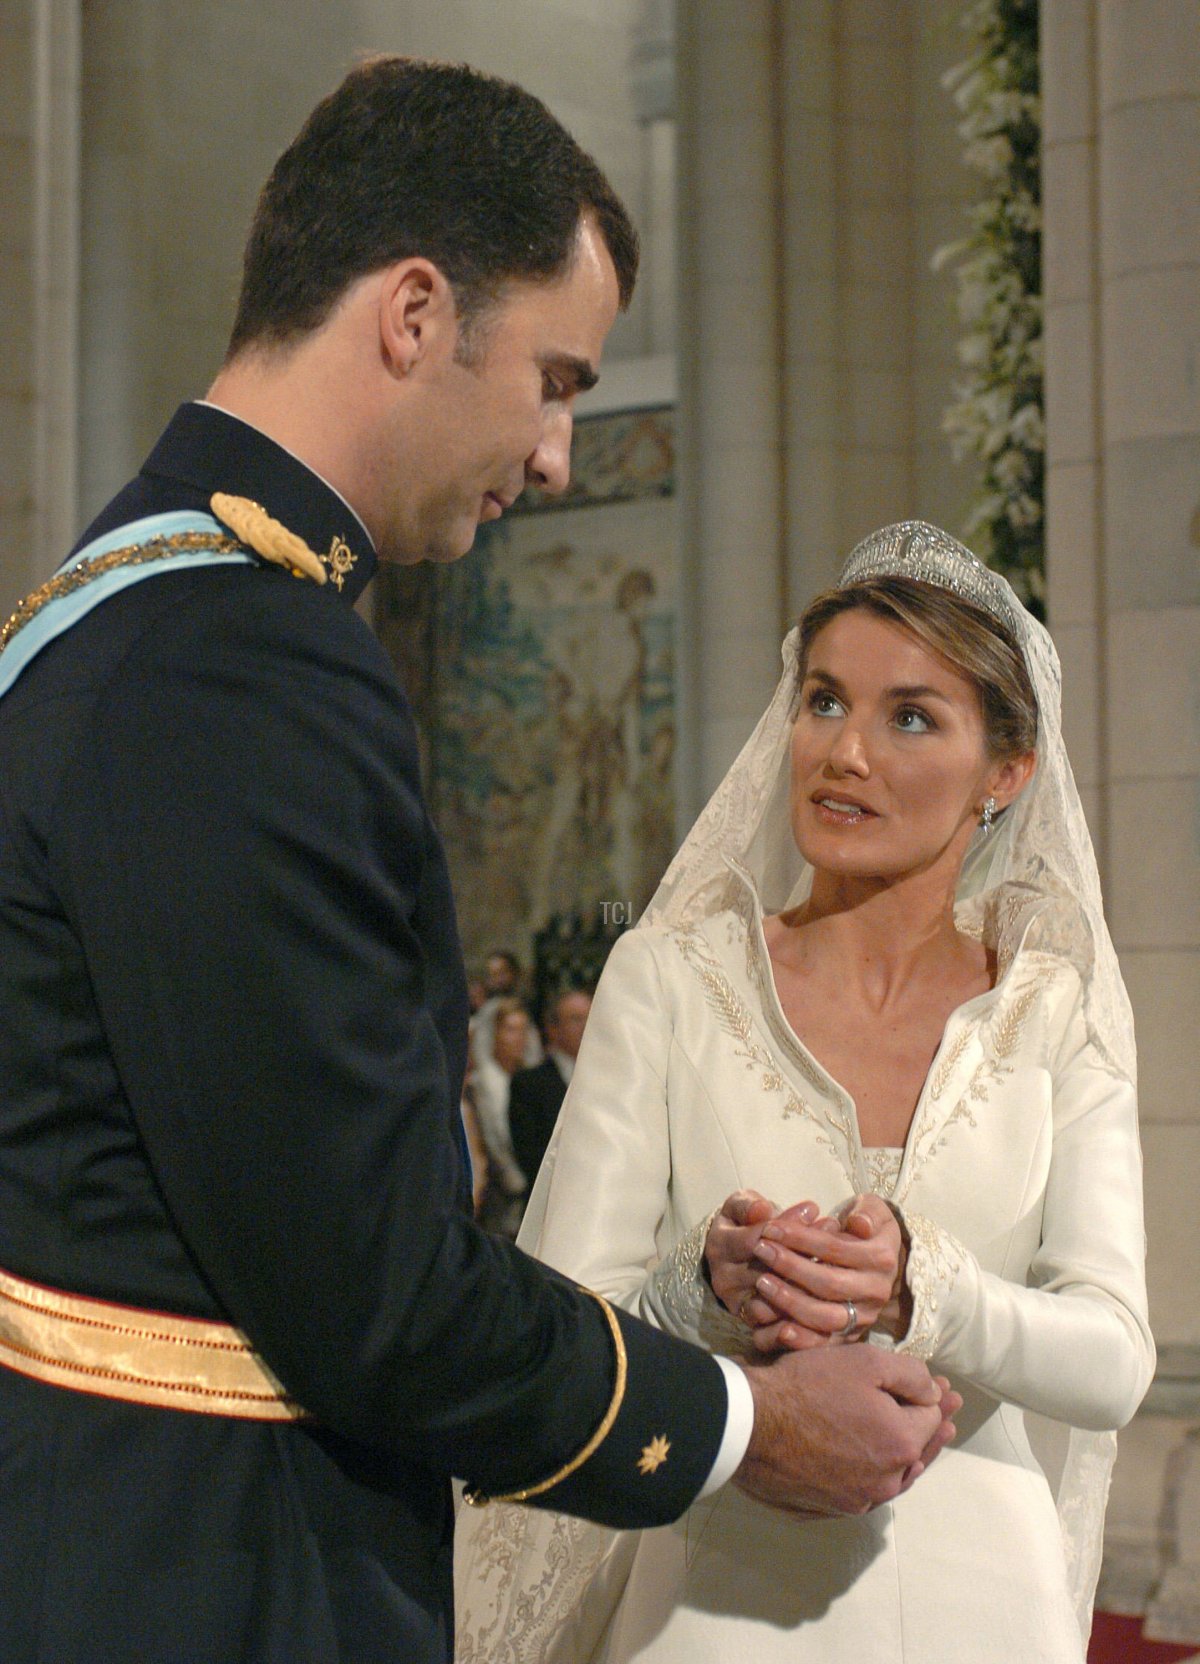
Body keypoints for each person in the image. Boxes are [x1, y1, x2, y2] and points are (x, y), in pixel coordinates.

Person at [0, 61, 958, 1664]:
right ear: (415, 313)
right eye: (556, 379)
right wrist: (743, 1423)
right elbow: (371, 1291)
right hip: (221, 1574)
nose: (560, 456)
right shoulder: (250, 661)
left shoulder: (92, 607)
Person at [455, 521, 1155, 1663]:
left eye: (910, 717)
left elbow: (1115, 1359)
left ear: (1007, 772)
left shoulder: (1050, 1009)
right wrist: (703, 1288)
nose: (846, 752)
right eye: (824, 701)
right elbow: (567, 1320)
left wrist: (926, 1287)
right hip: (717, 1598)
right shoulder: (672, 977)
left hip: (991, 1605)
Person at [510, 988, 593, 1190]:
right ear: (553, 1029)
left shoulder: (612, 1078)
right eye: (576, 1019)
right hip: (554, 1193)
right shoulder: (529, 1084)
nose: (587, 1026)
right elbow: (530, 1153)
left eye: (591, 1017)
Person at [470, 998, 533, 1235]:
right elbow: (492, 1139)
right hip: (502, 1196)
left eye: (523, 1030)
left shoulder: (531, 1078)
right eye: (510, 1030)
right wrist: (517, 1182)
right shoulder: (483, 1083)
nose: (518, 1038)